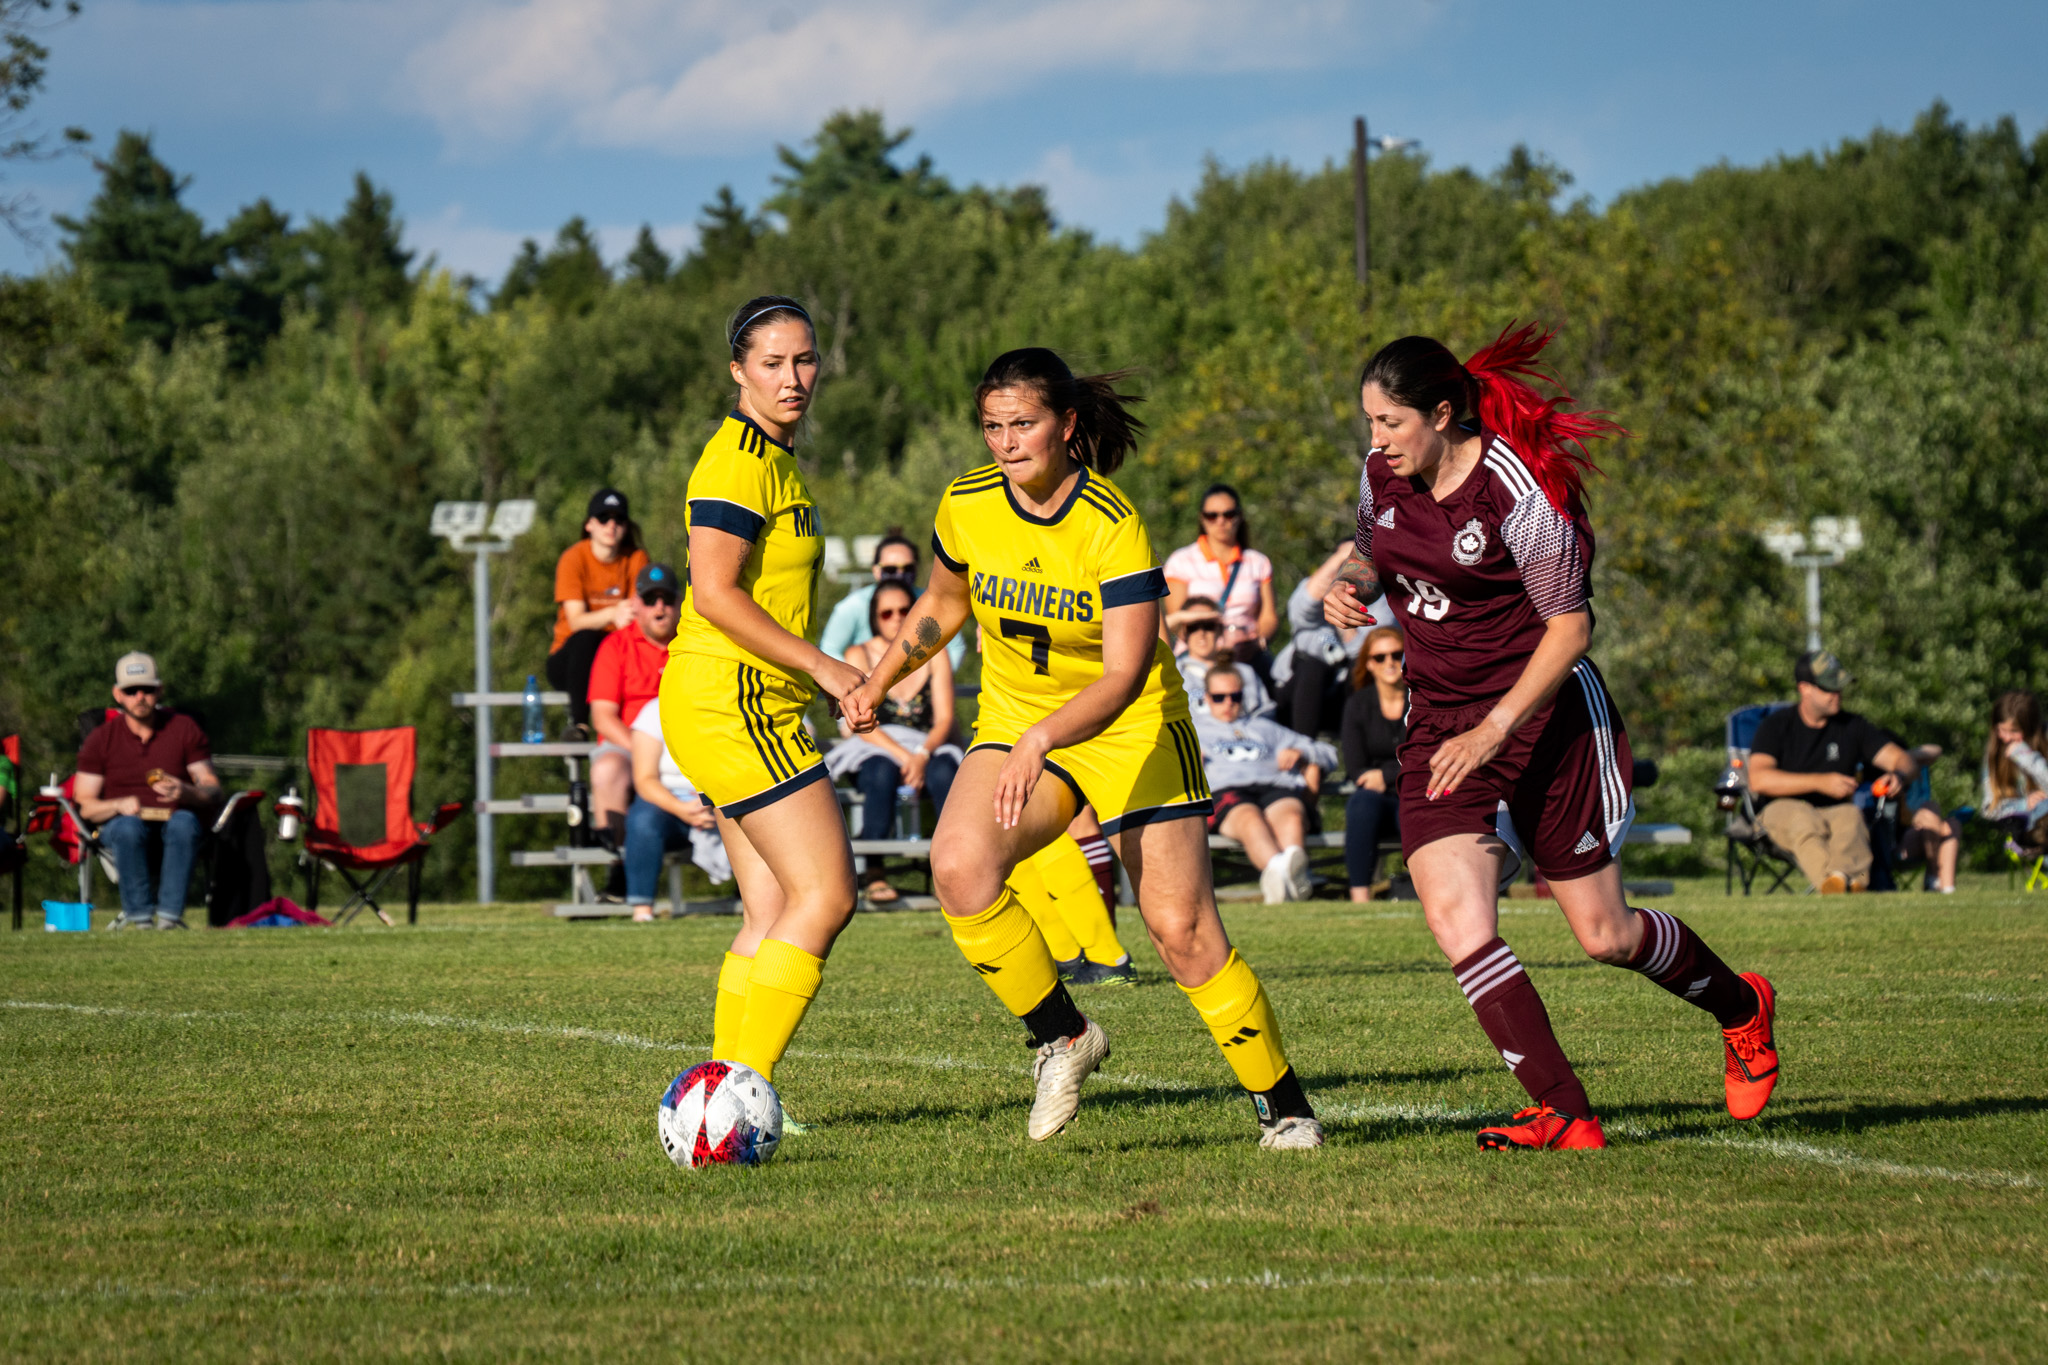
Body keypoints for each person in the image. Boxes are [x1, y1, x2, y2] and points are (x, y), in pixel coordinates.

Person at [846, 346, 1323, 1150]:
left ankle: (1284, 1107)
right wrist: (881, 678)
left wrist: (1042, 737)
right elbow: (943, 601)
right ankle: (1064, 1036)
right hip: (1018, 718)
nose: (1005, 442)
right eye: (992, 426)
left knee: (1179, 931)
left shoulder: (1111, 521)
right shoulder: (966, 501)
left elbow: (1126, 673)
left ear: (1066, 424)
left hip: (1132, 727)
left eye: (1022, 423)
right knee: (959, 867)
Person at [1323, 325, 1780, 1152]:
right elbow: (1368, 553)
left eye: (1390, 422)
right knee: (1457, 918)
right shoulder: (1379, 474)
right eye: (1370, 422)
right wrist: (1351, 587)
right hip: (1441, 729)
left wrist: (1495, 728)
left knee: (1606, 935)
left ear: (1442, 413)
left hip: (1545, 724)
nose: (1376, 440)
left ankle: (1742, 1007)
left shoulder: (1518, 491)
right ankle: (1566, 1112)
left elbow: (1571, 629)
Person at [655, 294, 861, 1089]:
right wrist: (824, 665)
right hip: (732, 699)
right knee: (828, 894)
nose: (792, 377)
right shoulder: (738, 459)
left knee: (771, 910)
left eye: (805, 360)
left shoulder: (777, 459)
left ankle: (719, 1097)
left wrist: (813, 674)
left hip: (736, 700)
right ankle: (742, 1091)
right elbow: (713, 593)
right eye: (772, 363)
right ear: (738, 371)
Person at [828, 577, 963, 904]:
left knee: (945, 771)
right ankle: (874, 870)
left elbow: (945, 719)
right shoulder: (858, 654)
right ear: (875, 617)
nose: (897, 618)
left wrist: (922, 754)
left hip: (927, 746)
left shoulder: (936, 654)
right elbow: (860, 722)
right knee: (880, 771)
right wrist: (905, 757)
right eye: (887, 613)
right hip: (876, 747)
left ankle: (954, 866)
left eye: (905, 611)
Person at [1749, 650, 1920, 894]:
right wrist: (1819, 782)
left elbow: (1903, 760)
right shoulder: (1776, 725)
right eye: (1828, 688)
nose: (1837, 693)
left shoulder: (1853, 726)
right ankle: (1834, 884)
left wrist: (1899, 776)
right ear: (1804, 689)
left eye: (1840, 687)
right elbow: (1758, 779)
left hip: (1834, 812)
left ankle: (1846, 881)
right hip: (1779, 811)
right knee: (1803, 819)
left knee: (1852, 817)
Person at [73, 652, 221, 930]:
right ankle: (141, 920)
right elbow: (84, 805)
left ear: (159, 690)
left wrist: (186, 791)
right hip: (122, 827)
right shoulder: (101, 739)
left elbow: (212, 788)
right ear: (118, 694)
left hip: (176, 823)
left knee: (184, 822)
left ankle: (169, 919)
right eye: (131, 691)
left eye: (147, 689)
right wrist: (117, 805)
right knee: (127, 827)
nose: (139, 697)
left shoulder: (184, 729)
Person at [1194, 664, 1338, 904]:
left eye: (1235, 696)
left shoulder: (1264, 728)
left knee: (1292, 816)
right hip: (1226, 791)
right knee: (1250, 818)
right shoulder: (1194, 730)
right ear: (1207, 698)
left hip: (1273, 787)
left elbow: (1329, 754)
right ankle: (1288, 878)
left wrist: (1301, 753)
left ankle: (1283, 881)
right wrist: (1188, 760)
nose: (1228, 703)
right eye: (1219, 697)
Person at [587, 563, 681, 860]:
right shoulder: (615, 645)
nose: (659, 607)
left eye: (667, 599)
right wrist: (644, 752)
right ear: (636, 604)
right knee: (607, 769)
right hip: (630, 747)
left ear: (679, 603)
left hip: (688, 746)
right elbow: (603, 717)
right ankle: (616, 864)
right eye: (651, 599)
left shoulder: (694, 644)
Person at [546, 488, 650, 733]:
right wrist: (613, 613)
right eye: (604, 518)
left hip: (616, 659)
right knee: (586, 639)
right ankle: (579, 725)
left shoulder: (636, 558)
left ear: (626, 526)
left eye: (618, 519)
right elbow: (576, 622)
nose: (611, 525)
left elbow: (639, 613)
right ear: (589, 524)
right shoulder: (573, 558)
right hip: (570, 661)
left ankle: (645, 731)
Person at [626, 698, 732, 923]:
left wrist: (714, 800)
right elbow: (645, 780)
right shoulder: (654, 710)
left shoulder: (732, 702)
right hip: (668, 803)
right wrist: (682, 809)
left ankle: (774, 904)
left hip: (727, 797)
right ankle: (642, 909)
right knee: (643, 821)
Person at [1273, 539, 1391, 738]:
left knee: (1363, 667)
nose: (1352, 567)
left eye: (1359, 560)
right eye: (1348, 560)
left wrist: (1344, 615)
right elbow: (1299, 613)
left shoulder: (1383, 600)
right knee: (1312, 667)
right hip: (1296, 688)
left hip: (1345, 692)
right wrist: (1340, 557)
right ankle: (1305, 749)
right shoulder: (1316, 586)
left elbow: (1366, 649)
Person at [1163, 483, 1278, 679]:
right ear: (1202, 518)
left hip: (1247, 656)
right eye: (1212, 515)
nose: (1221, 521)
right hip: (1198, 658)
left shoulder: (1258, 562)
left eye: (1229, 514)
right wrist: (1215, 644)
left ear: (1240, 516)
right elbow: (1177, 620)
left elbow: (1269, 617)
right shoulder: (1181, 561)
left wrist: (1258, 642)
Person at [818, 533, 967, 669]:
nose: (899, 575)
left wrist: (929, 680)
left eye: (907, 568)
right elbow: (830, 649)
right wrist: (861, 678)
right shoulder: (853, 605)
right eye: (890, 569)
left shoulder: (931, 601)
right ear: (876, 570)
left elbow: (955, 647)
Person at [1340, 625, 1407, 901]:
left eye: (1396, 655)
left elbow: (1430, 757)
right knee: (1361, 804)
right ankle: (1360, 897)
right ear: (1369, 664)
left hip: (1417, 790)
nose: (1389, 662)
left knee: (1422, 805)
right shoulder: (1358, 704)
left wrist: (1387, 775)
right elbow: (1356, 768)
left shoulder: (1423, 699)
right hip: (1378, 798)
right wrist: (1391, 776)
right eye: (1380, 657)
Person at [1176, 597, 1275, 718]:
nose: (1201, 633)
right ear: (1183, 632)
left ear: (1219, 629)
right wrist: (1178, 618)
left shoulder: (1244, 672)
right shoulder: (1174, 672)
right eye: (1193, 627)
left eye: (1208, 625)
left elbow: (1265, 715)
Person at [1983, 691, 2048, 849]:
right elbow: (1989, 809)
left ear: (2030, 728)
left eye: (2014, 731)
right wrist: (2024, 804)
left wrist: (2027, 758)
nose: (2006, 738)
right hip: (2026, 832)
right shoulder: (1995, 754)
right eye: (2001, 730)